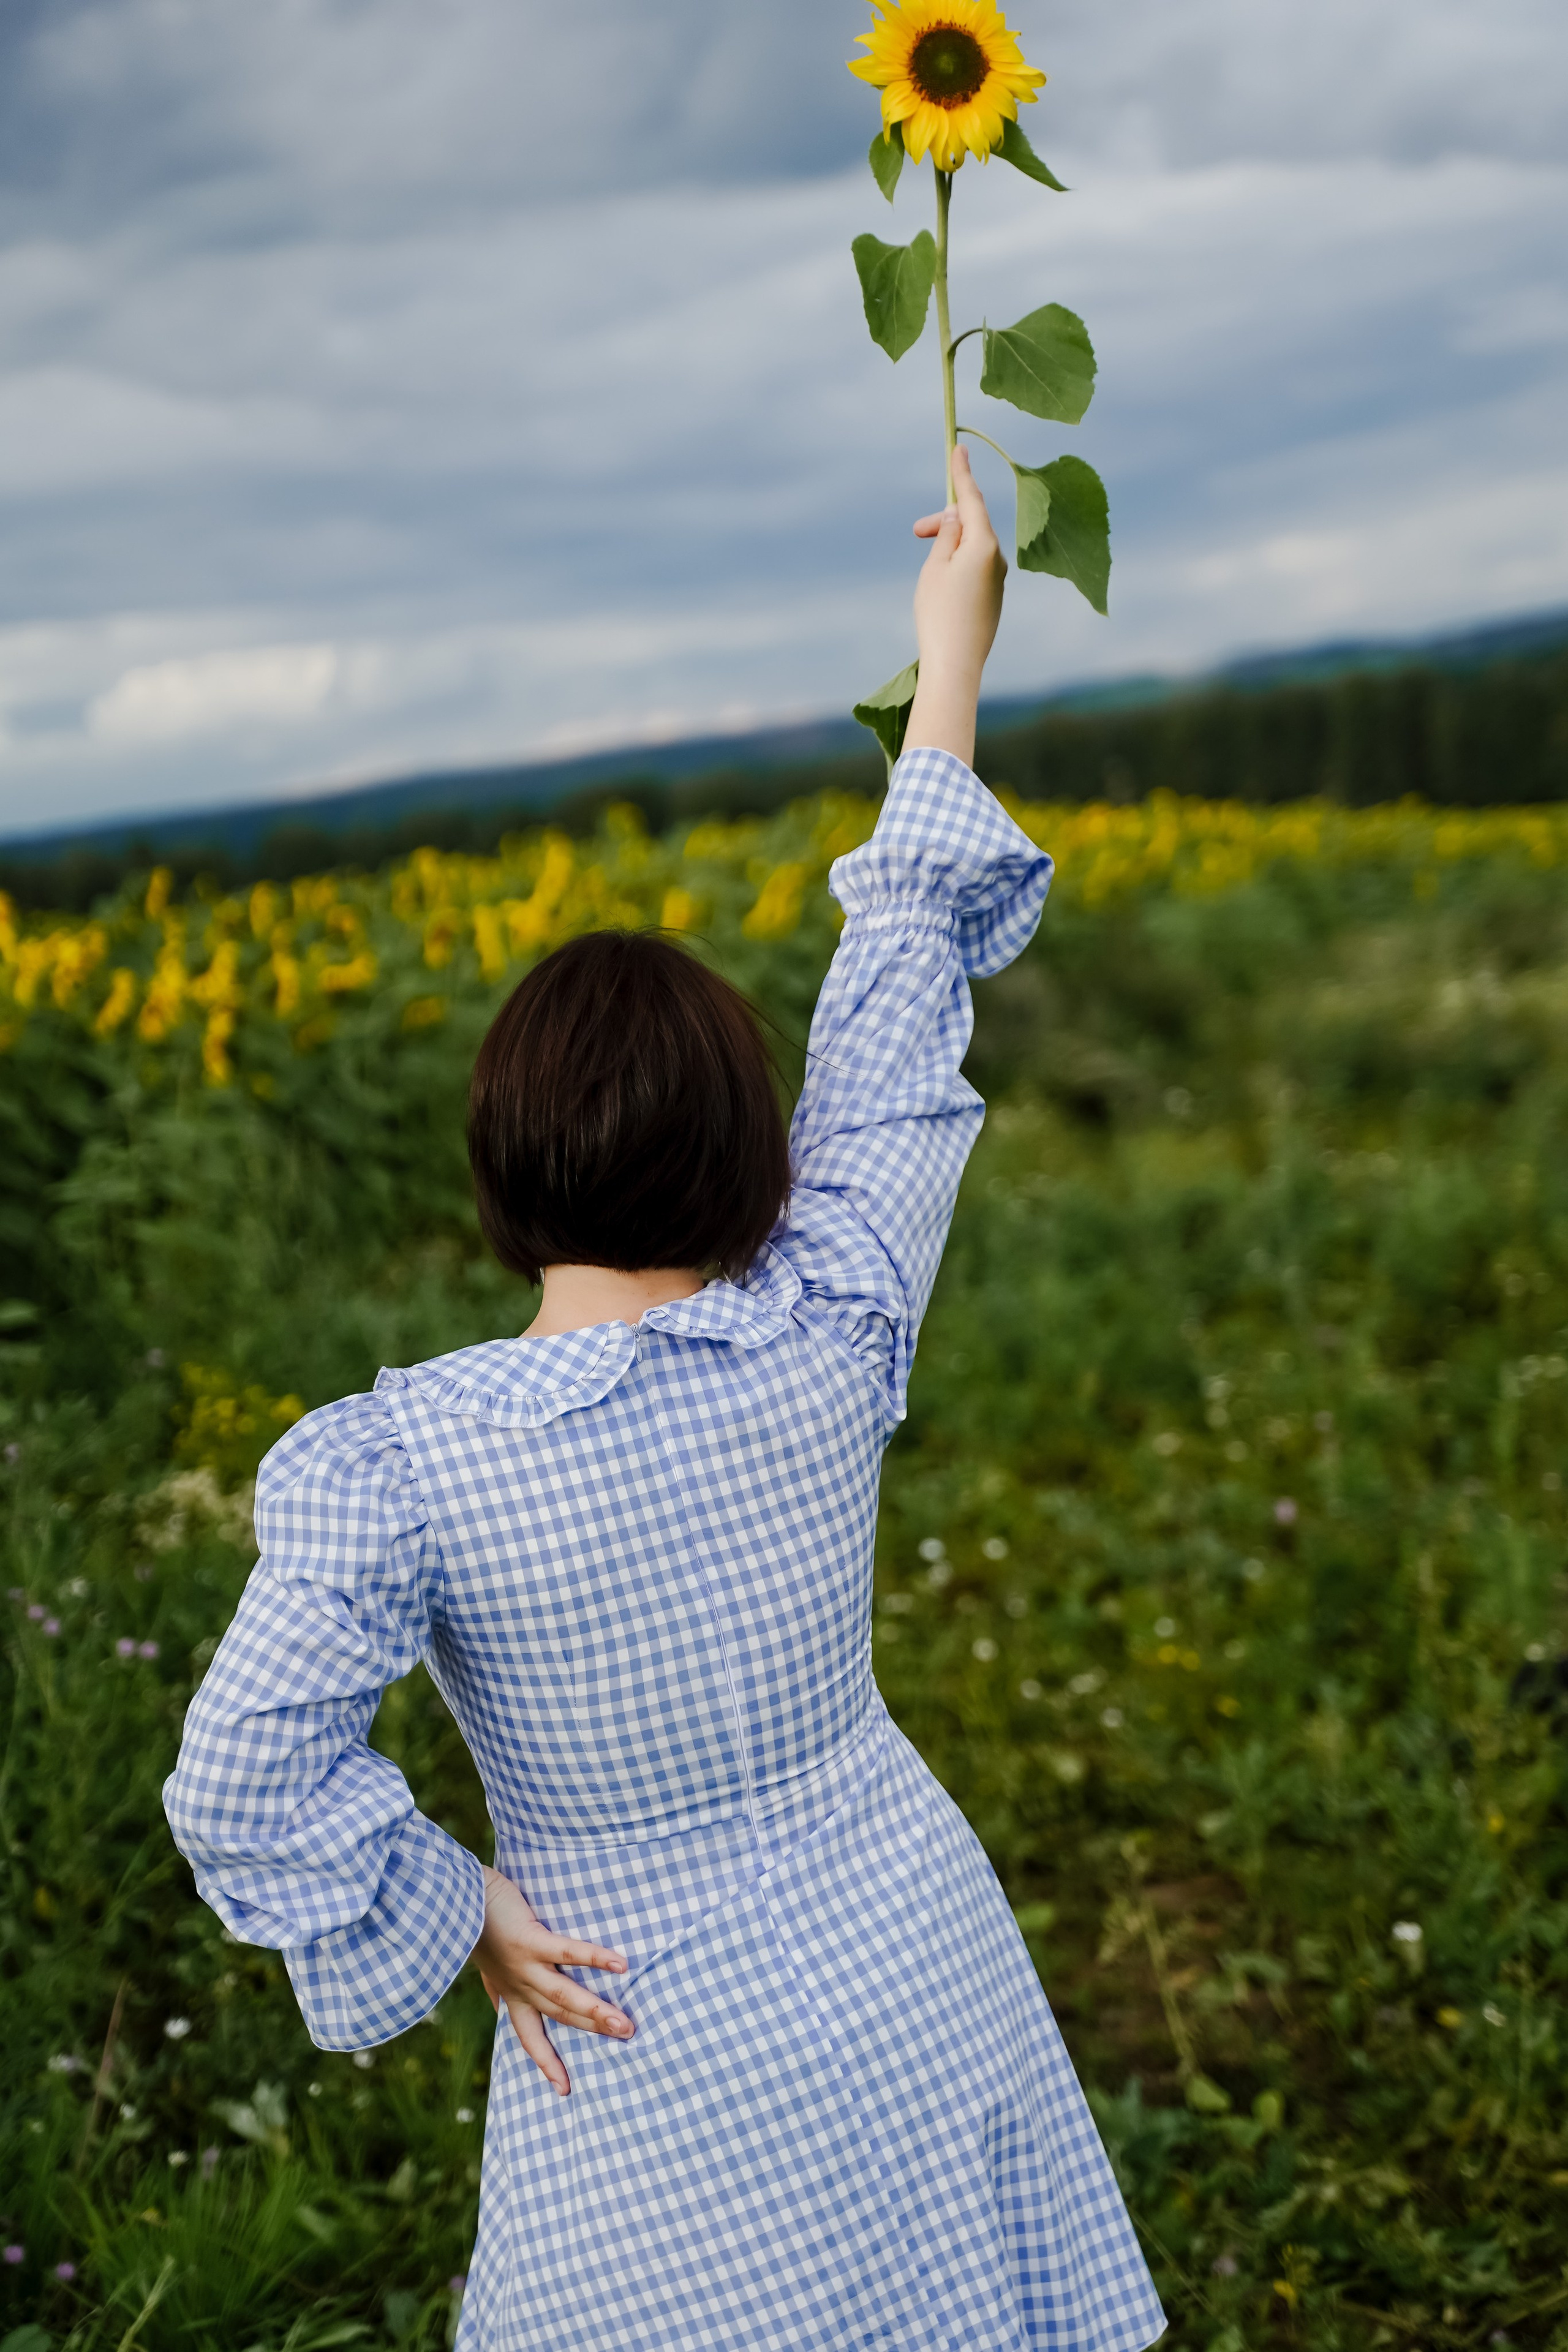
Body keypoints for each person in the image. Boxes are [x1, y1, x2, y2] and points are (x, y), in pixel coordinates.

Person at [164, 448, 1166, 2352]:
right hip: (909, 1946)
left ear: (500, 1159)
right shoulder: (826, 1314)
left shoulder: (408, 1465)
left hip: (640, 2032)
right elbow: (891, 1006)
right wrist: (946, 665)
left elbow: (238, 1781)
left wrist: (456, 1910)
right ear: (744, 1149)